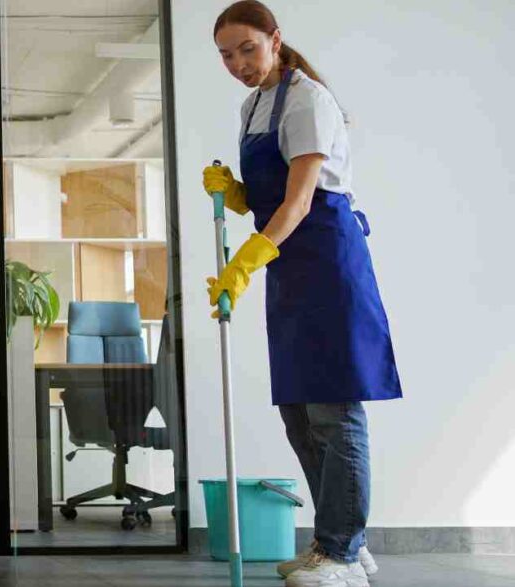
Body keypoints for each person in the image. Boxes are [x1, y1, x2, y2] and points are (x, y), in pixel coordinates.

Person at [205, 3, 401, 587]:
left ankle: (341, 555)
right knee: (298, 414)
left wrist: (243, 263)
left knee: (335, 412)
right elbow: (271, 195)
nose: (237, 63)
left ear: (274, 40)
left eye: (246, 48)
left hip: (327, 260)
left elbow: (301, 200)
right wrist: (235, 194)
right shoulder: (253, 105)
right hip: (288, 263)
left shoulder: (306, 97)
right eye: (225, 55)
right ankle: (338, 542)